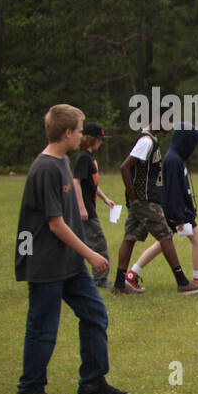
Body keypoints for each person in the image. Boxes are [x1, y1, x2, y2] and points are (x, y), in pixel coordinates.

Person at [15, 104, 128, 394]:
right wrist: (91, 253)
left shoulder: (64, 161)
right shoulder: (46, 168)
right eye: (79, 130)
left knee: (94, 314)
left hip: (69, 262)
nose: (82, 135)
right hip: (47, 263)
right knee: (43, 327)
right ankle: (30, 389)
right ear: (67, 132)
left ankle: (93, 383)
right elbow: (55, 224)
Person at [113, 120, 198, 295]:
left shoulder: (154, 142)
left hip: (144, 201)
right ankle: (182, 282)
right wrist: (134, 197)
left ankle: (121, 283)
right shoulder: (148, 141)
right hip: (145, 200)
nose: (170, 127)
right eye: (169, 121)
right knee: (165, 236)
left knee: (131, 237)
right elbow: (125, 167)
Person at [73, 122, 116, 288]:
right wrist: (82, 207)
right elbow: (76, 182)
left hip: (91, 206)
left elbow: (91, 183)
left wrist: (105, 199)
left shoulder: (89, 157)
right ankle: (100, 280)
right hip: (87, 210)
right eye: (99, 139)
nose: (101, 142)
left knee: (82, 243)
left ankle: (79, 277)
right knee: (98, 243)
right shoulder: (83, 157)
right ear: (91, 139)